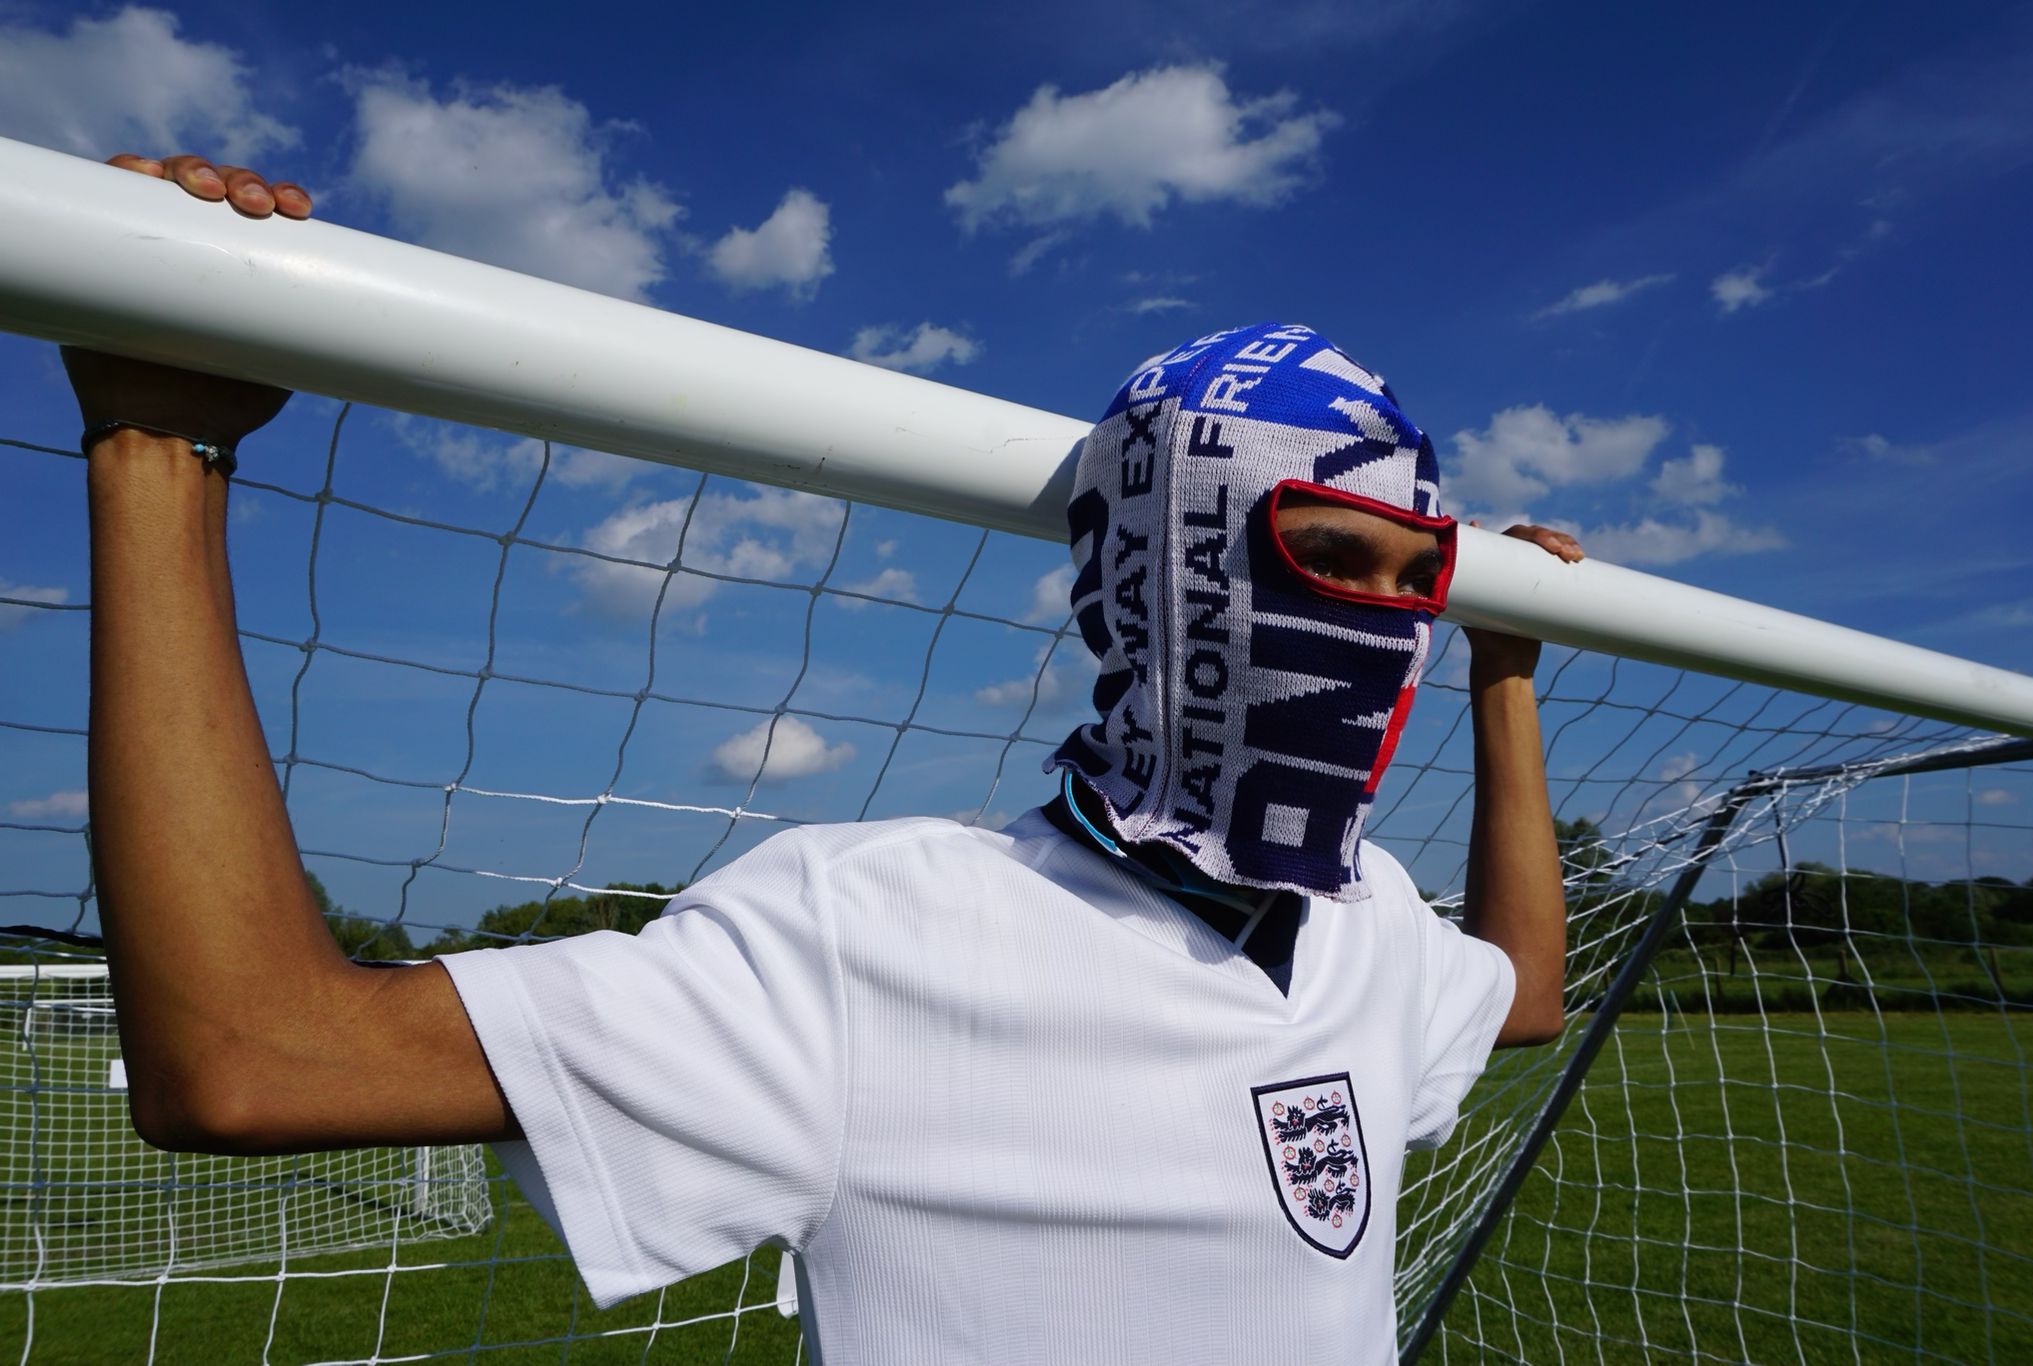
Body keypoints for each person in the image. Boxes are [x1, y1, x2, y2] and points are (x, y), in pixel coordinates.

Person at [69, 154, 1575, 1364]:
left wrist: (1507, 666)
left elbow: (1522, 993)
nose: (1381, 624)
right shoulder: (875, 935)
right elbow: (249, 1059)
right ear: (1153, 573)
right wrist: (157, 445)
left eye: (1415, 580)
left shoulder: (1369, 916)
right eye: (1323, 556)